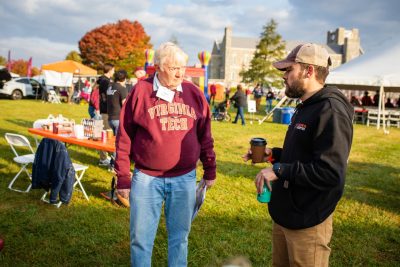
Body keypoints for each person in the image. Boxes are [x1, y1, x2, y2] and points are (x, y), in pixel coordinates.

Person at [243, 43, 353, 267]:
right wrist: (272, 155)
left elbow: (330, 172)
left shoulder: (330, 111)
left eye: (288, 70)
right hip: (286, 214)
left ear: (309, 71)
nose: (284, 76)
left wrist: (279, 170)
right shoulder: (306, 105)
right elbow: (304, 156)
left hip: (308, 221)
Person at [114, 42, 216, 266]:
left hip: (184, 178)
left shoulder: (194, 94)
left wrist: (210, 169)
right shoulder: (141, 91)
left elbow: (205, 135)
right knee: (140, 238)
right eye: (173, 68)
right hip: (147, 178)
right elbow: (124, 136)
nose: (180, 73)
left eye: (183, 67)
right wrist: (123, 176)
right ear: (158, 67)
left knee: (180, 238)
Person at [97, 63, 115, 166]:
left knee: (106, 134)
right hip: (106, 111)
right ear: (110, 70)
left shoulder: (103, 80)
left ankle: (104, 157)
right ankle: (103, 159)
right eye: (113, 70)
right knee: (106, 135)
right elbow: (109, 96)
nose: (114, 72)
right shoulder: (105, 81)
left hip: (105, 110)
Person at [107, 69, 128, 136]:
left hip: (110, 118)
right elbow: (125, 105)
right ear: (124, 79)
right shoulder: (122, 89)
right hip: (118, 118)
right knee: (118, 142)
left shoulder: (110, 87)